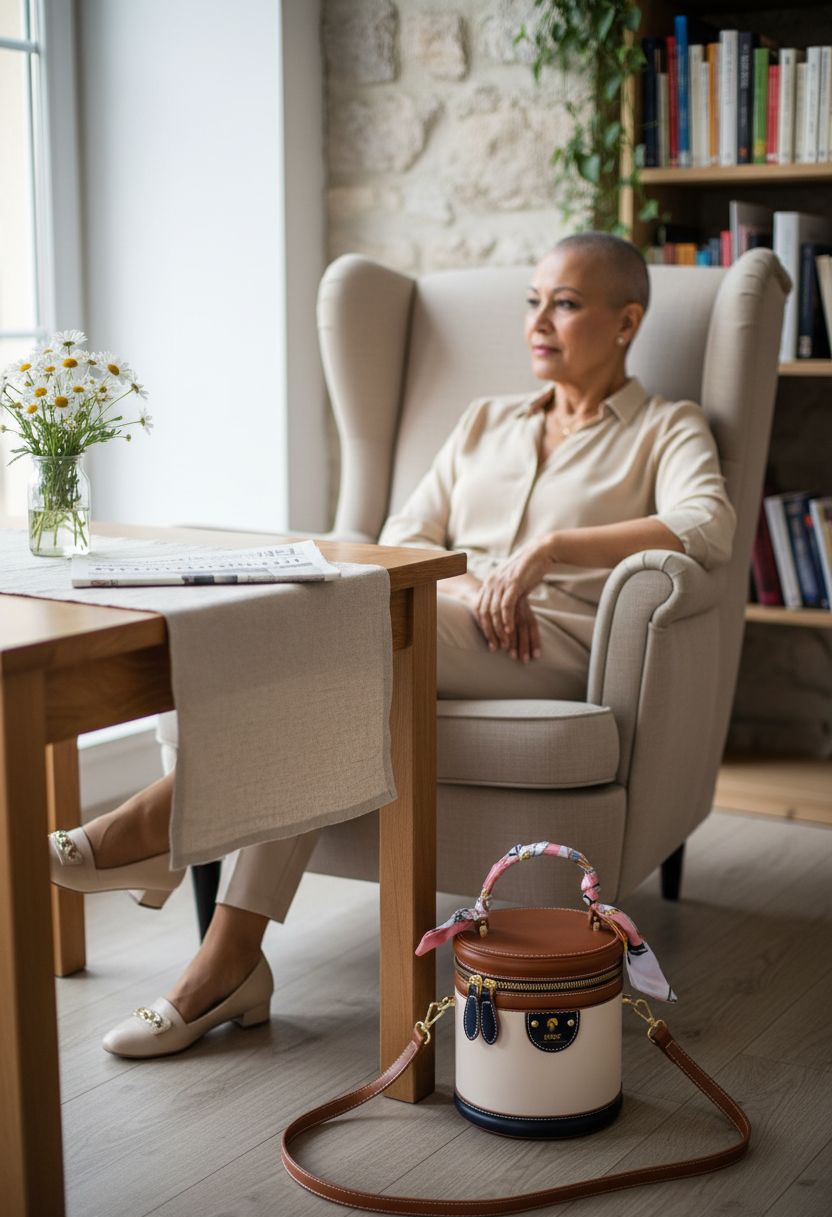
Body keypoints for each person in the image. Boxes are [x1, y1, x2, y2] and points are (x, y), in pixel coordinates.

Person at [49, 232, 736, 1058]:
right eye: (533, 302)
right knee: (328, 669)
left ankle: (155, 831)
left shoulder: (666, 426)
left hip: (545, 642)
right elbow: (406, 536)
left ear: (626, 322)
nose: (538, 322)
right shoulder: (485, 420)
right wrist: (472, 585)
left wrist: (549, 549)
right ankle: (227, 960)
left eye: (565, 304)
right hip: (446, 617)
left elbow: (708, 525)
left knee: (335, 640)